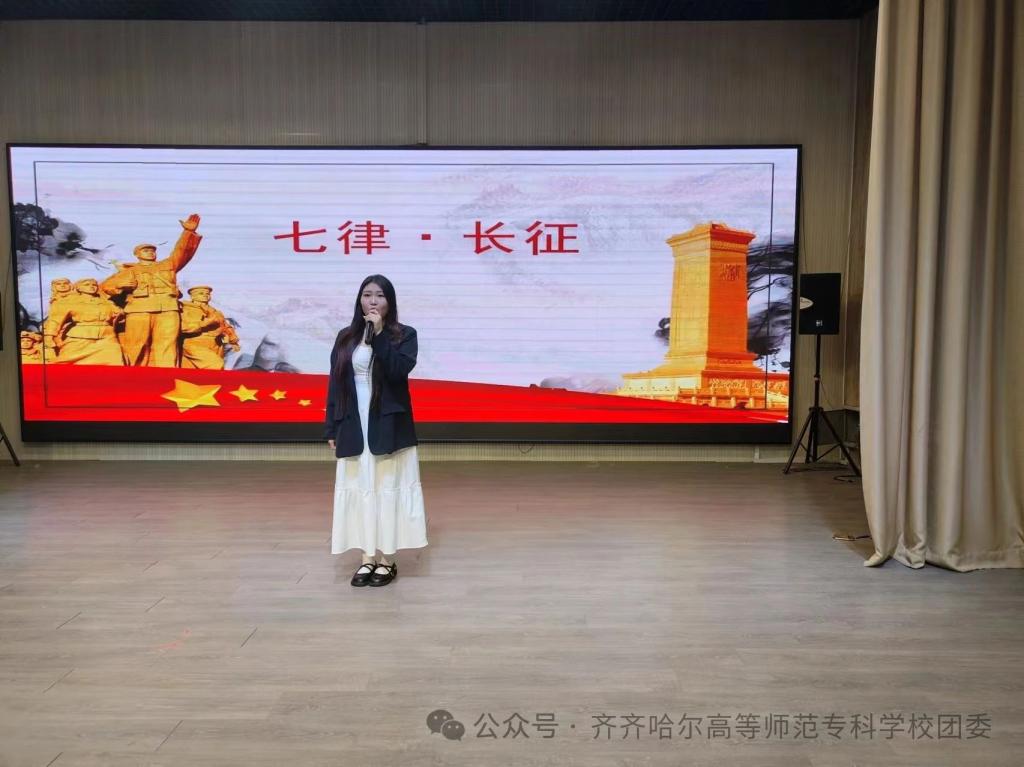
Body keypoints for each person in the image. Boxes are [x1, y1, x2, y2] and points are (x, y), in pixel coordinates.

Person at [324, 274, 427, 587]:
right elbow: (335, 384)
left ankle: (387, 560)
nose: (373, 301)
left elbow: (397, 371)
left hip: (388, 426)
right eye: (367, 294)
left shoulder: (404, 335)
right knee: (362, 490)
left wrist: (379, 334)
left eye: (380, 295)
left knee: (386, 489)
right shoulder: (346, 337)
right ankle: (367, 557)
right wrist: (332, 427)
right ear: (359, 300)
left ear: (389, 302)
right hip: (353, 424)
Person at [100, 213, 202, 367]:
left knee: (167, 343)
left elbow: (182, 251)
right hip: (139, 309)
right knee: (136, 343)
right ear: (137, 254)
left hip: (168, 308)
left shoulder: (167, 265)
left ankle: (167, 375)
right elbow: (106, 286)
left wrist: (188, 232)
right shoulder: (129, 271)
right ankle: (133, 374)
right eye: (145, 250)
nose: (150, 252)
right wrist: (122, 286)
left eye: (152, 250)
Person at [41, 278, 125, 365]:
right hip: (80, 337)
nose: (91, 287)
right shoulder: (69, 301)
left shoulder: (106, 302)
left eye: (94, 285)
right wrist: (50, 336)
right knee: (65, 360)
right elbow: (55, 320)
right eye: (87, 285)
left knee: (114, 357)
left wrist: (119, 314)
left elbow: (118, 314)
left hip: (107, 337)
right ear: (79, 288)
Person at [180, 285, 240, 369]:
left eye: (207, 293)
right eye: (201, 293)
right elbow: (183, 327)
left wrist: (233, 340)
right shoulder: (185, 309)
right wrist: (205, 323)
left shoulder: (216, 312)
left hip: (216, 345)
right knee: (215, 365)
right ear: (192, 296)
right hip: (195, 344)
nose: (205, 295)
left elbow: (226, 327)